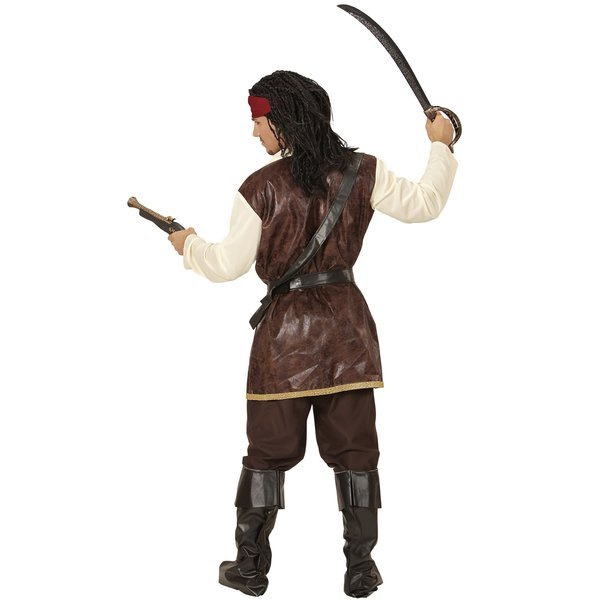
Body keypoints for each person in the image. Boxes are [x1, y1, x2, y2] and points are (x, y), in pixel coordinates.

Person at [168, 70, 458, 598]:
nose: (254, 132)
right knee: (356, 454)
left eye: (259, 121)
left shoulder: (260, 187)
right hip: (348, 337)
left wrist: (188, 245)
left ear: (282, 121)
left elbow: (226, 265)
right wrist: (441, 146)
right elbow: (426, 203)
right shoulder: (364, 172)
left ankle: (250, 567)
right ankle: (361, 568)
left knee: (266, 455)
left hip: (283, 345)